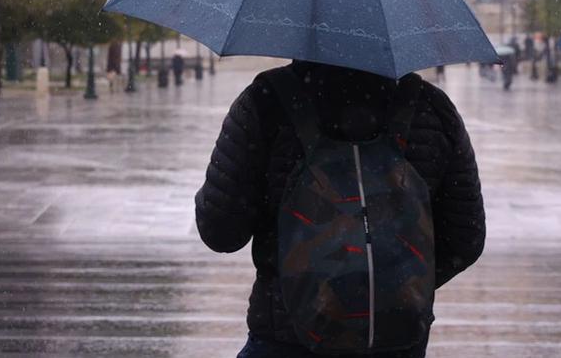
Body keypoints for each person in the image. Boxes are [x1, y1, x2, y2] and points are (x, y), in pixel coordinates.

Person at [195, 60, 486, 358]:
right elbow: (465, 239)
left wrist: (307, 283)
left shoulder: (266, 100)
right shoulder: (431, 107)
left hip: (287, 334)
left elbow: (221, 232)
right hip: (395, 334)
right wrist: (390, 282)